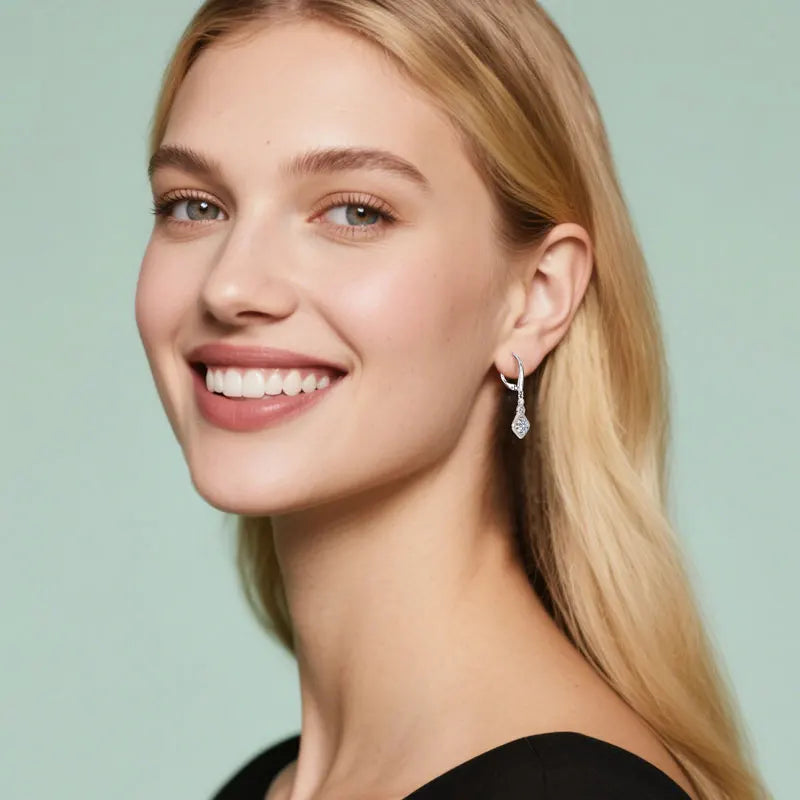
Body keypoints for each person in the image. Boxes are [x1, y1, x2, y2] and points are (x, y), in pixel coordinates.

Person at [135, 1, 770, 798]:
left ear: (536, 297)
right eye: (194, 205)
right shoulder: (274, 783)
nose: (230, 286)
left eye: (356, 212)